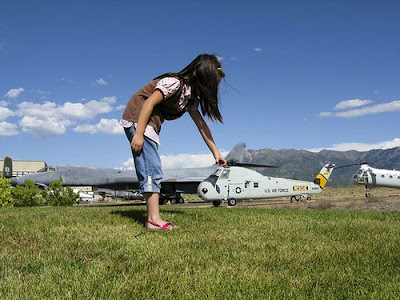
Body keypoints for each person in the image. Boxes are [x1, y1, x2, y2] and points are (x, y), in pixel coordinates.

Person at [120, 53, 227, 230]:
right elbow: (148, 103)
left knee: (152, 166)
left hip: (149, 123)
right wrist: (138, 134)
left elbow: (201, 124)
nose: (212, 89)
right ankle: (153, 220)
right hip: (138, 119)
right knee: (150, 167)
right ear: (202, 77)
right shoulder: (174, 83)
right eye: (212, 83)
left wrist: (216, 152)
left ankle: (153, 218)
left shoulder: (190, 98)